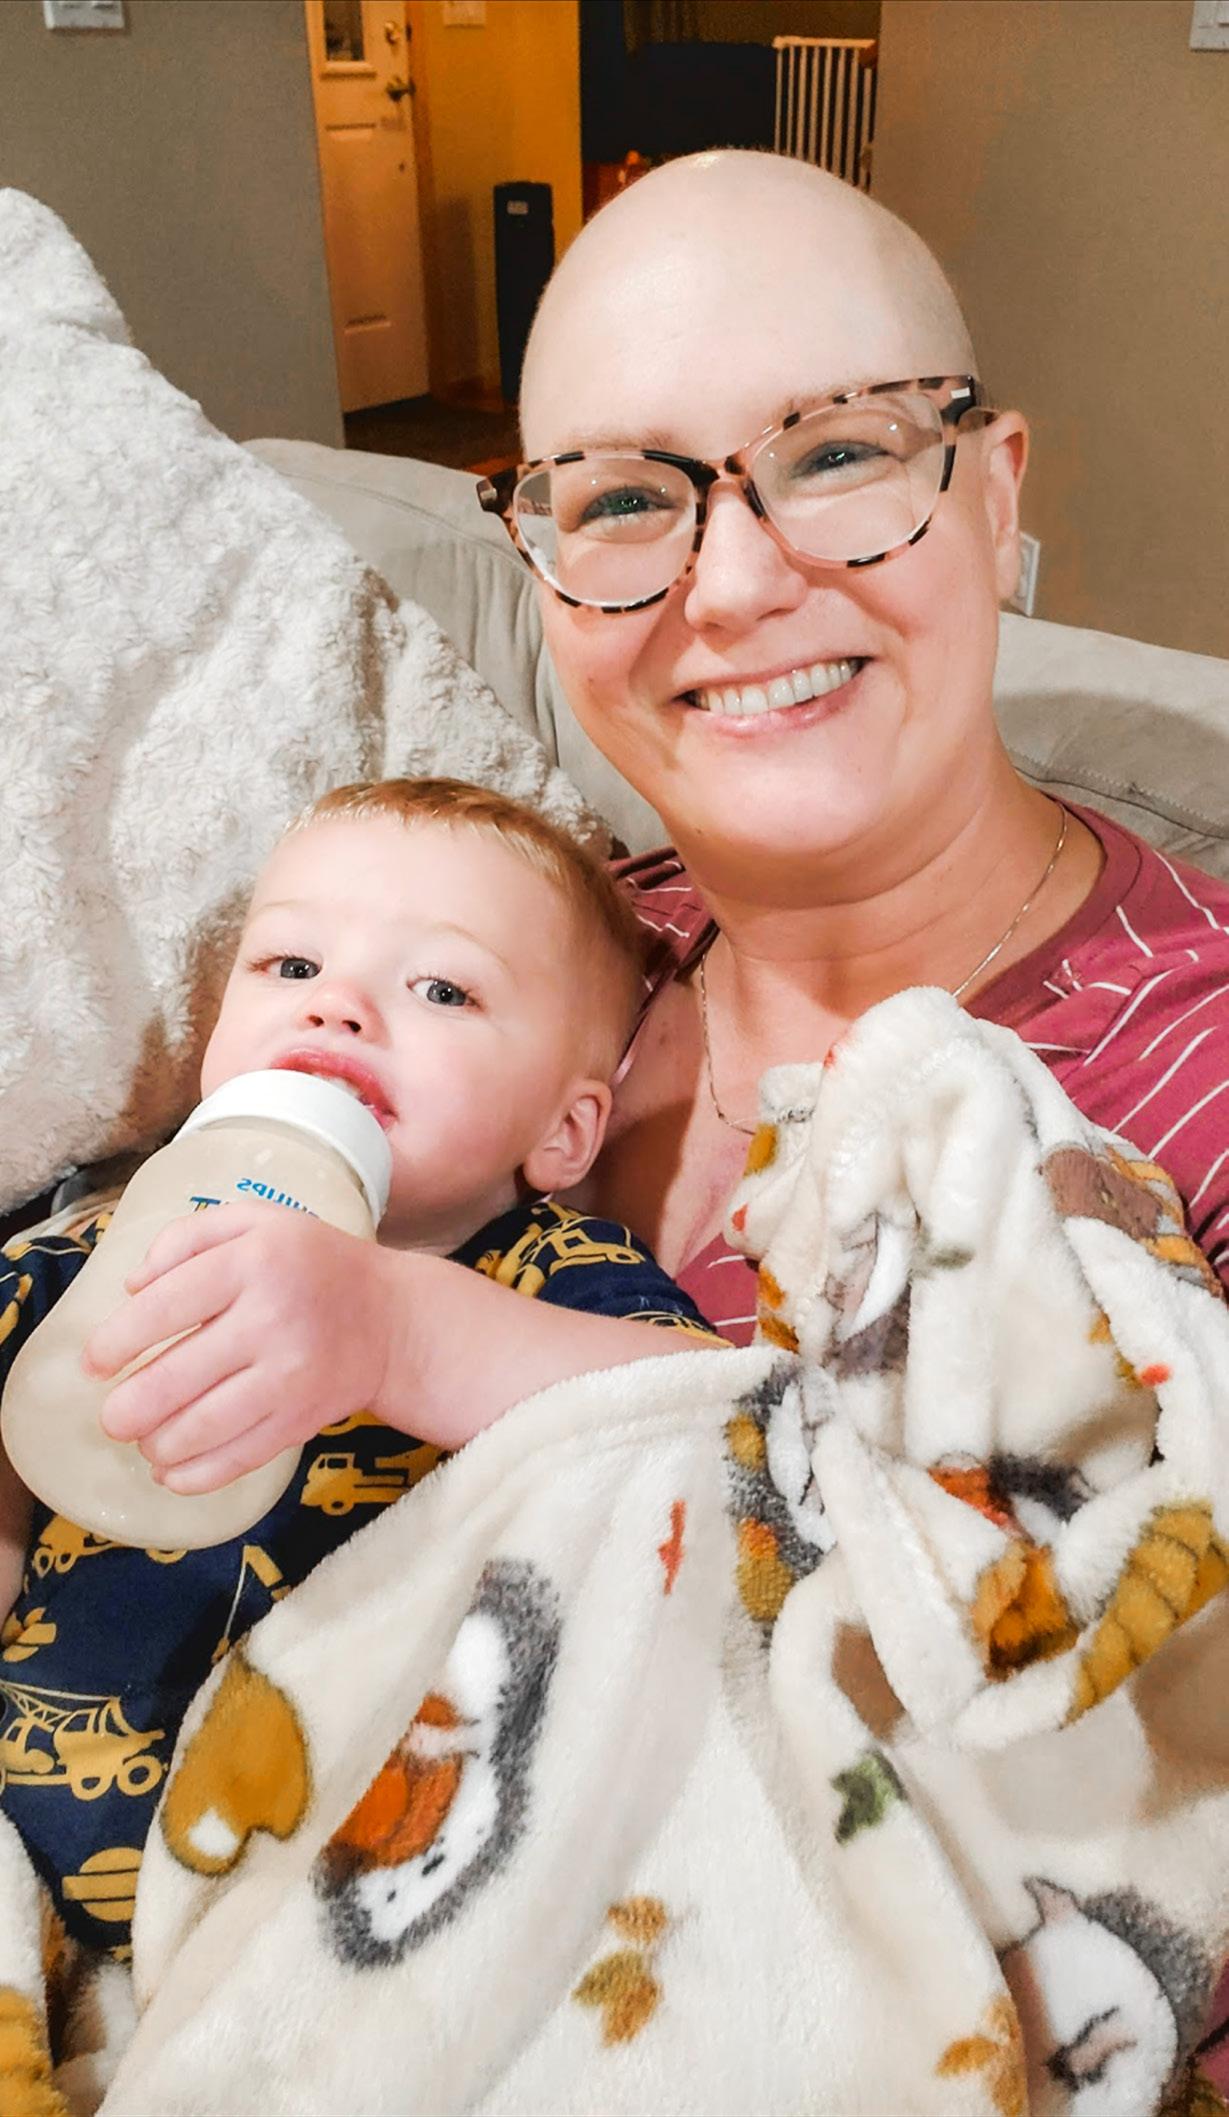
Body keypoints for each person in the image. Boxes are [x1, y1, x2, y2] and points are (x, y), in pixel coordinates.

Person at [0, 776, 718, 1954]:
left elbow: (716, 1420)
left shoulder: (539, 1272)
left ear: (564, 1132)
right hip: (41, 1893)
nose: (334, 1007)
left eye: (442, 988)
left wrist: (399, 1332)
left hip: (364, 1893)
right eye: (290, 965)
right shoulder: (94, 1250)